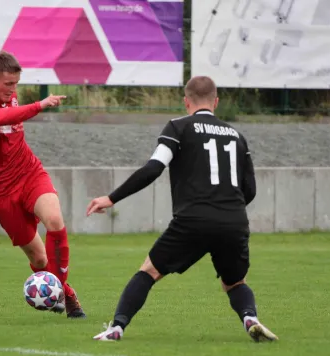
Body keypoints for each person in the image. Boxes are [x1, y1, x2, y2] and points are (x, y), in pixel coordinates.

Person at [87, 76, 278, 342]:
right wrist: (225, 210)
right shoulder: (237, 137)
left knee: (149, 271)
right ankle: (250, 318)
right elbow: (251, 190)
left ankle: (116, 327)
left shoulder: (178, 127)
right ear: (216, 102)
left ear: (186, 101)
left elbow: (154, 168)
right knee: (234, 282)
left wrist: (112, 197)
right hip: (233, 221)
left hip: (193, 220)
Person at [0, 50, 86, 319]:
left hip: (29, 172)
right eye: (8, 84)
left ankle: (65, 296)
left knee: (54, 219)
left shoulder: (8, 94)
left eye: (16, 84)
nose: (13, 90)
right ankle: (63, 293)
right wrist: (39, 106)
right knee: (41, 261)